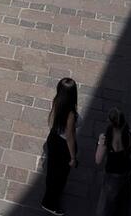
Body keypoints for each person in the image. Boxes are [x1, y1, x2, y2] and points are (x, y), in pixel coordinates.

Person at [95, 107, 131, 216]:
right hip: (128, 172)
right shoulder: (129, 135)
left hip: (112, 175)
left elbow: (98, 160)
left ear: (110, 122)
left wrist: (99, 142)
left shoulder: (106, 138)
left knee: (106, 204)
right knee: (124, 202)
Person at [41, 77, 78, 216]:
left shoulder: (57, 101)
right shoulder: (70, 115)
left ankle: (50, 196)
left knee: (52, 171)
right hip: (62, 146)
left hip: (53, 139)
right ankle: (49, 203)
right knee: (60, 175)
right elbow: (70, 138)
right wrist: (73, 157)